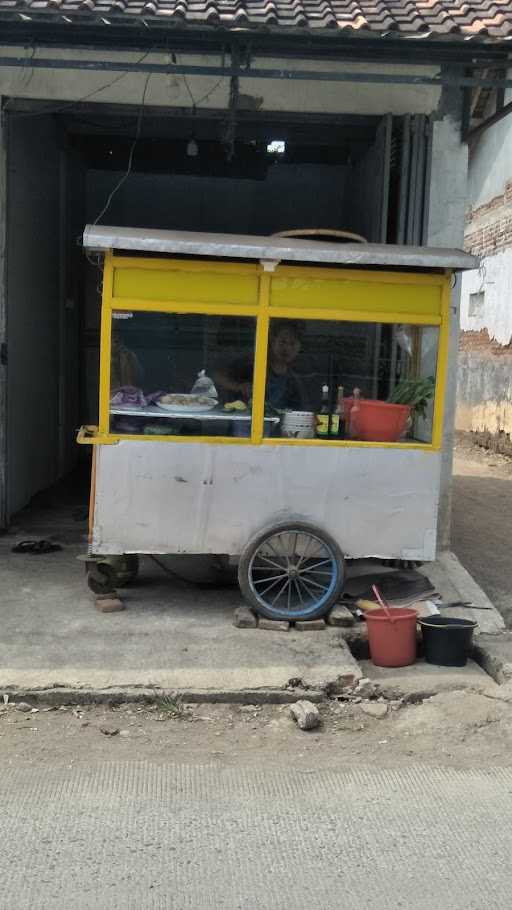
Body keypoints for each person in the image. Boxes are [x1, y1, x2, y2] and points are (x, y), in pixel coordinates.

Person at [214, 320, 306, 411]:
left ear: (299, 347)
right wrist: (238, 386)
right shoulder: (253, 364)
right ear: (272, 341)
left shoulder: (297, 377)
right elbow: (217, 376)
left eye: (293, 344)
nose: (287, 348)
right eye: (282, 342)